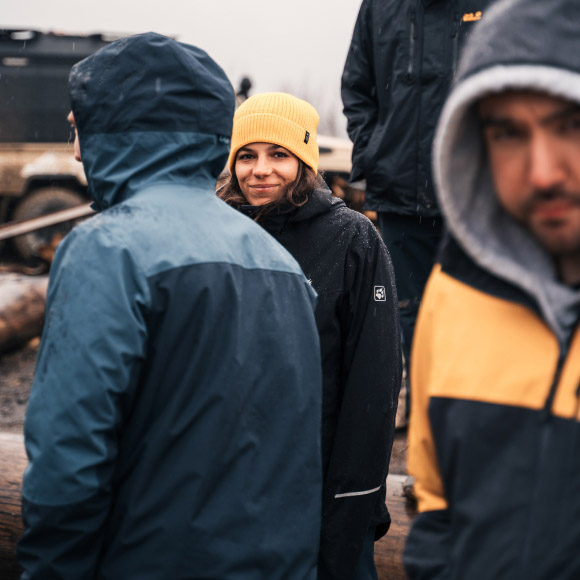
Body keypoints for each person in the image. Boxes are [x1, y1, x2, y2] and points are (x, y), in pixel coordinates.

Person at [17, 33, 324, 579]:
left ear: (110, 130)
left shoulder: (106, 249)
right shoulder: (282, 263)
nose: (75, 148)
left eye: (78, 127)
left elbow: (69, 454)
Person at [404, 0, 580, 577]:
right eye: (507, 133)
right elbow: (433, 502)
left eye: (571, 124)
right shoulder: (454, 293)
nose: (543, 172)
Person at [218, 92, 402, 580]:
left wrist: (355, 494)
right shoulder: (217, 231)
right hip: (234, 483)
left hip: (321, 482)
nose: (260, 170)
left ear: (304, 162)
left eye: (279, 154)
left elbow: (374, 378)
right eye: (246, 155)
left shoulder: (351, 237)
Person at [341, 0, 494, 414]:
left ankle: (473, 440)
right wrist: (374, 152)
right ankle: (430, 440)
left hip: (475, 200)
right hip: (400, 199)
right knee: (412, 324)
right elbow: (357, 87)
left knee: (482, 320)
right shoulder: (379, 7)